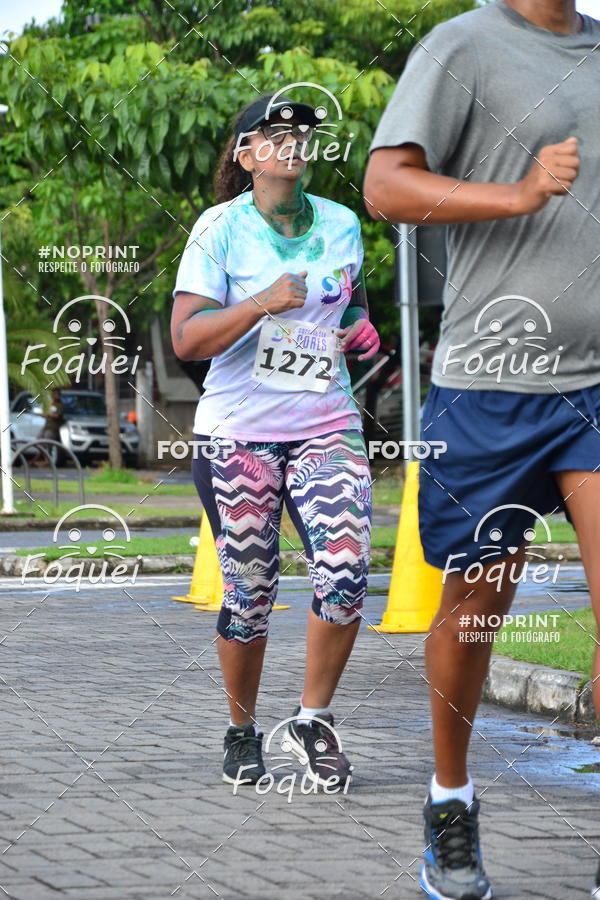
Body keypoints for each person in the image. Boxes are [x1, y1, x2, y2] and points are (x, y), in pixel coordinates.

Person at [364, 1, 600, 898]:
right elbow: (386, 188)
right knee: (475, 611)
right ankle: (450, 798)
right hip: (489, 383)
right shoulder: (461, 46)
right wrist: (519, 194)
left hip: (596, 386)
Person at [171, 94, 380, 788]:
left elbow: (349, 304)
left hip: (327, 426)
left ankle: (312, 721)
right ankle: (241, 729)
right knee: (251, 591)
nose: (292, 142)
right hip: (239, 435)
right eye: (275, 132)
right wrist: (262, 301)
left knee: (346, 573)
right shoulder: (219, 229)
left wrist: (359, 328)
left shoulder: (342, 223)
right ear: (246, 153)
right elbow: (186, 338)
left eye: (302, 133)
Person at [32, 388, 65, 466]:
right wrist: (44, 414)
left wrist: (49, 414)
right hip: (46, 426)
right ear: (52, 395)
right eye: (55, 394)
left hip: (53, 428)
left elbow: (57, 415)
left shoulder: (60, 405)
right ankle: (43, 458)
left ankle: (47, 458)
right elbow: (44, 414)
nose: (57, 396)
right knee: (39, 439)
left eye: (58, 394)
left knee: (47, 440)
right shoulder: (50, 404)